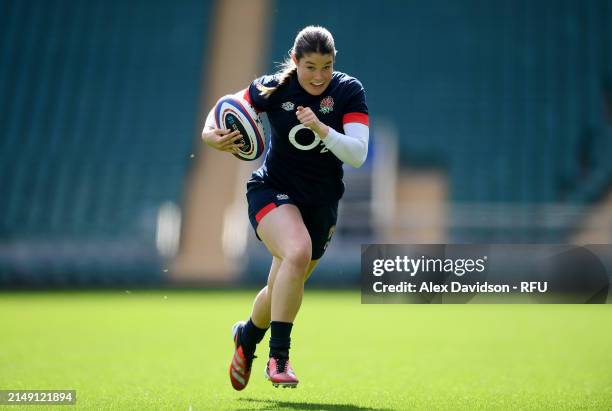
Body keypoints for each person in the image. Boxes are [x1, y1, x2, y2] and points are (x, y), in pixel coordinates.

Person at [202, 26, 369, 389]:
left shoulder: (348, 91)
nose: (319, 76)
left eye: (326, 66)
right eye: (310, 66)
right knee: (297, 252)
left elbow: (357, 154)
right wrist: (209, 135)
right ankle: (279, 358)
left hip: (321, 202)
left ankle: (246, 337)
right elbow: (226, 107)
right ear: (295, 62)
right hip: (272, 191)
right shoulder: (274, 87)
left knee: (282, 282)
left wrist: (323, 129)